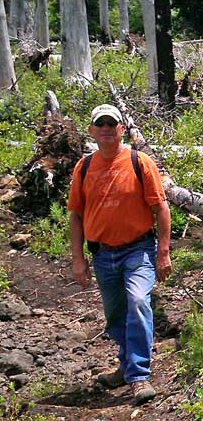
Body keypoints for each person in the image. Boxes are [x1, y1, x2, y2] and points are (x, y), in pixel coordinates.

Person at [67, 103, 172, 406]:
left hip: (138, 249)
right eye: (100, 124)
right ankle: (125, 365)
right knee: (115, 316)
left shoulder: (140, 162)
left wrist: (163, 252)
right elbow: (75, 215)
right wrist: (78, 259)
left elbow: (161, 208)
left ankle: (139, 375)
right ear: (91, 131)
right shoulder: (84, 166)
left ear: (121, 129)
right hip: (103, 255)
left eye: (111, 124)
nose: (106, 129)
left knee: (138, 301)